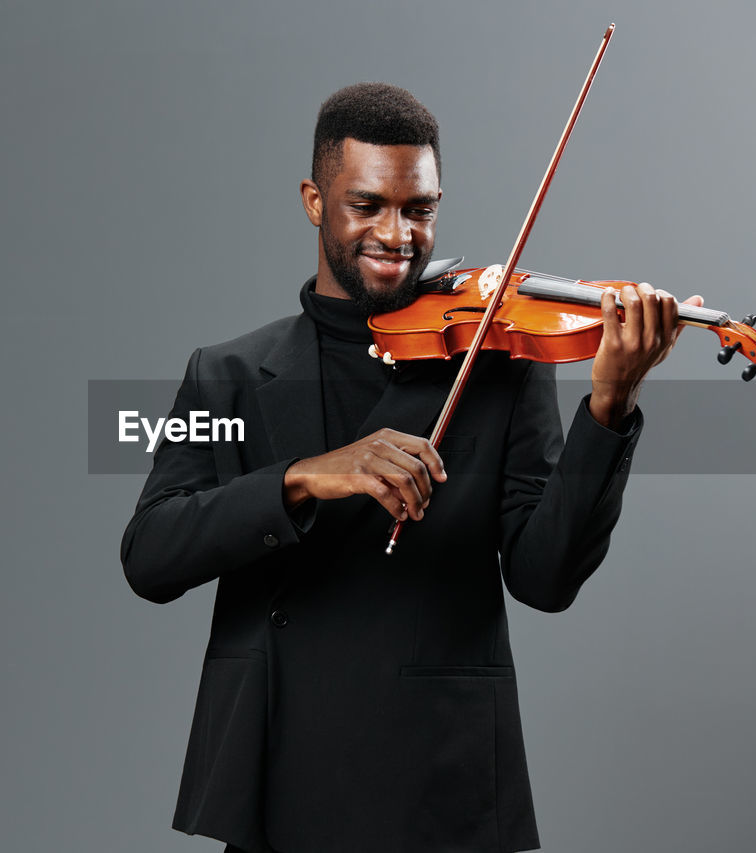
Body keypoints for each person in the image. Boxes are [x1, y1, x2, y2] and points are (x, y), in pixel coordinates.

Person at [121, 83, 701, 853]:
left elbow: (544, 578)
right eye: (368, 205)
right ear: (313, 201)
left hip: (440, 774)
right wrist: (303, 477)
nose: (397, 235)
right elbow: (151, 553)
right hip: (278, 772)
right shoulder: (228, 373)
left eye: (419, 210)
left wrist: (610, 407)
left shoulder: (498, 360)